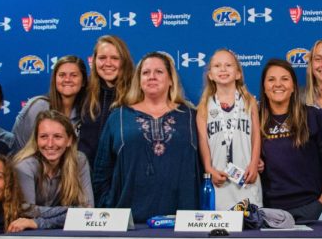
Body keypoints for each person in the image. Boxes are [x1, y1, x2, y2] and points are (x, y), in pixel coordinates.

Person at [93, 52, 200, 222]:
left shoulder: (191, 116)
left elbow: (207, 164)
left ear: (171, 79)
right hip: (128, 222)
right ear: (139, 81)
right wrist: (108, 210)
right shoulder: (119, 116)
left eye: (159, 72)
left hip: (184, 222)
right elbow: (101, 171)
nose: (152, 77)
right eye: (145, 72)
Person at [259, 58, 322, 222]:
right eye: (271, 79)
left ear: (293, 86)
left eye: (284, 79)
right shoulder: (254, 120)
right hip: (269, 210)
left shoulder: (312, 116)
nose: (278, 84)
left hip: (310, 208)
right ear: (264, 88)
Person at [195, 49, 262, 209]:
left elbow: (256, 136)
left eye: (228, 65)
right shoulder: (204, 106)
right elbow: (203, 140)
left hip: (246, 176)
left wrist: (254, 163)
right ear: (210, 75)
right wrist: (208, 168)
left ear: (238, 73)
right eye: (217, 66)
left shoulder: (249, 101)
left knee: (251, 227)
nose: (223, 69)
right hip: (219, 178)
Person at [13, 110, 93, 207]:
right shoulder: (24, 167)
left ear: (69, 140)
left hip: (61, 222)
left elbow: (87, 209)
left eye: (57, 137)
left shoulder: (79, 160)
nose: (50, 144)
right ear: (36, 140)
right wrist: (68, 211)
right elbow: (28, 212)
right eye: (44, 137)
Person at [78, 35, 135, 168]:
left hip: (122, 177)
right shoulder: (83, 92)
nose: (108, 63)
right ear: (94, 61)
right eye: (102, 58)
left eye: (115, 58)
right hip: (86, 178)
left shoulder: (137, 94)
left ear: (124, 61)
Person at [12, 55, 88, 150]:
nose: (67, 79)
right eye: (62, 75)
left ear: (83, 81)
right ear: (55, 79)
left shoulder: (87, 112)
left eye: (74, 75)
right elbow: (19, 146)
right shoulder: (38, 106)